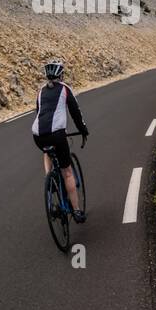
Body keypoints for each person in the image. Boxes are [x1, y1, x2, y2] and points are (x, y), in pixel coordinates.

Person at [32, 58, 89, 222]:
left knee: (47, 150)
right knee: (67, 172)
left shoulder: (40, 92)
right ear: (61, 75)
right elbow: (76, 113)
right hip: (58, 134)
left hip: (37, 135)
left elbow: (39, 113)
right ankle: (77, 211)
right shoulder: (65, 90)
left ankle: (49, 179)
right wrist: (83, 130)